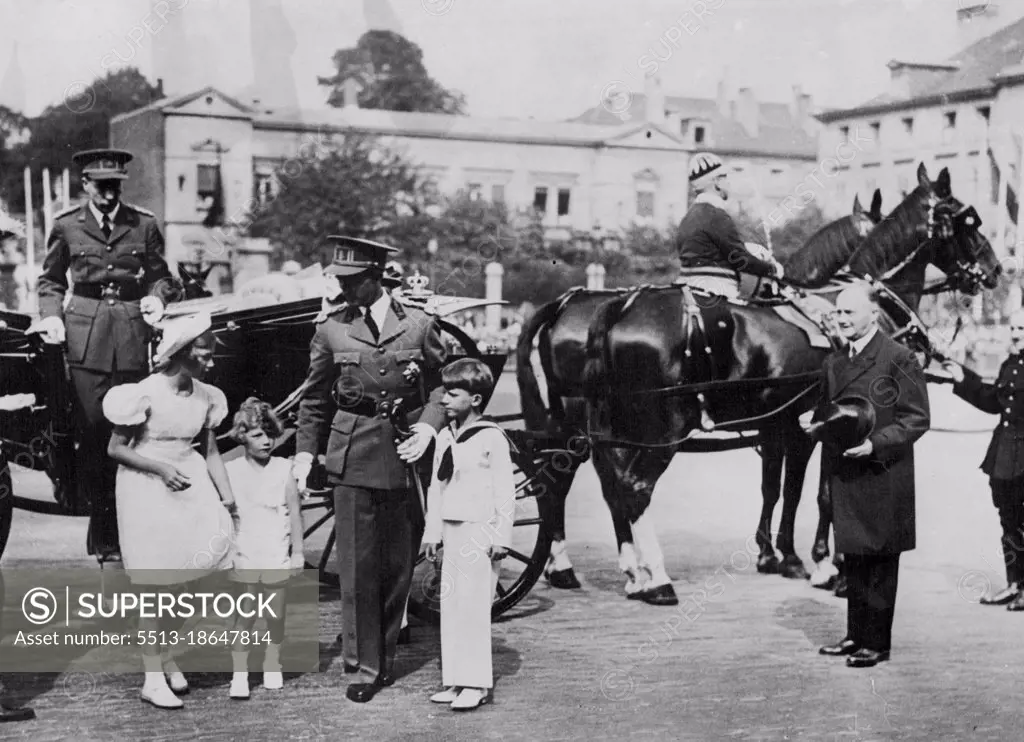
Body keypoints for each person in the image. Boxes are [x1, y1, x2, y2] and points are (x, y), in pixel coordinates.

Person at [292, 236, 448, 703]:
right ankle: (364, 667)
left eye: (351, 280)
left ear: (375, 277)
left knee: (399, 566)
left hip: (403, 457)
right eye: (339, 280)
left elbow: (444, 385)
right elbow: (315, 400)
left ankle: (383, 652)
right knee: (357, 569)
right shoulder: (331, 330)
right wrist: (304, 454)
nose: (342, 288)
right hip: (352, 455)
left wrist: (429, 428)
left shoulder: (419, 325)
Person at [29, 148, 172, 564]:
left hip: (130, 336)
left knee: (127, 432)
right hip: (84, 339)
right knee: (93, 434)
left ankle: (127, 529)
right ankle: (105, 532)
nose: (109, 196)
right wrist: (51, 317)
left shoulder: (142, 224)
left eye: (115, 187)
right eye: (101, 187)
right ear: (85, 185)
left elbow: (161, 276)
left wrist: (157, 300)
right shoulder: (66, 225)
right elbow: (51, 281)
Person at [103, 311, 237, 709]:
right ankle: (151, 677)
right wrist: (161, 468)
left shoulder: (207, 396)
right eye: (204, 353)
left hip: (190, 481)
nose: (211, 361)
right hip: (146, 484)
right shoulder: (143, 394)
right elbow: (116, 449)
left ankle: (165, 653)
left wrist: (228, 497)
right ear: (180, 352)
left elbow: (210, 450)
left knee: (194, 577)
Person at [801, 285, 930, 668]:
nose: (841, 319)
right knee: (854, 557)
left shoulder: (899, 358)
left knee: (880, 561)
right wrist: (813, 422)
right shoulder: (834, 362)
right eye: (838, 313)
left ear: (873, 315)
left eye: (850, 313)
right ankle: (855, 635)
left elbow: (916, 419)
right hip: (845, 472)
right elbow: (831, 411)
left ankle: (877, 643)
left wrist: (876, 444)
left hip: (883, 474)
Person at [423, 359, 516, 711]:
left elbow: (505, 491)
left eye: (452, 393)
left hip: (480, 532)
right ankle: (456, 679)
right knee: (451, 606)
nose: (444, 399)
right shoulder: (446, 435)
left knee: (474, 608)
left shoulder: (491, 437)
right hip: (452, 528)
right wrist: (433, 532)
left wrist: (501, 537)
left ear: (475, 399)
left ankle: (476, 683)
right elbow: (437, 487)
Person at [224, 397, 305, 699]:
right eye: (258, 435)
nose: (267, 441)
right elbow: (224, 516)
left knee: (275, 612)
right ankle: (240, 673)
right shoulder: (230, 471)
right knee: (244, 613)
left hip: (275, 548)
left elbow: (295, 512)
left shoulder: (283, 468)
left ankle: (273, 661)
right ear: (241, 436)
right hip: (244, 549)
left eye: (270, 434)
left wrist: (297, 552)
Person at [943, 309, 1024, 609]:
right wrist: (963, 379)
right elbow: (994, 402)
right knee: (1010, 521)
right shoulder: (1010, 364)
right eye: (1013, 327)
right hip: (1004, 456)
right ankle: (1015, 583)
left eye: (1022, 328)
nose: (1016, 333)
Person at [676, 152, 784, 299]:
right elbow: (741, 260)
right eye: (725, 178)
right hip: (715, 289)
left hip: (686, 289)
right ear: (717, 183)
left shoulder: (687, 218)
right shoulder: (717, 216)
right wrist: (772, 269)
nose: (728, 183)